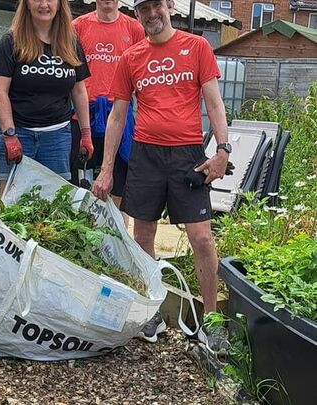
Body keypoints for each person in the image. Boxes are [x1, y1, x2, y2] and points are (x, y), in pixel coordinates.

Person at [91, 0, 230, 355]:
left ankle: (212, 320)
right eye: (142, 9)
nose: (151, 14)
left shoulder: (196, 46)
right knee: (143, 234)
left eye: (156, 5)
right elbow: (117, 116)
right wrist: (107, 170)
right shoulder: (130, 57)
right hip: (146, 155)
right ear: (135, 14)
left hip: (187, 155)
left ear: (168, 6)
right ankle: (151, 309)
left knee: (201, 237)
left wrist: (223, 150)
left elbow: (213, 102)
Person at [0, 0, 92, 192]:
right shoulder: (10, 42)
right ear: (27, 4)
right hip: (19, 135)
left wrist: (85, 133)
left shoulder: (71, 43)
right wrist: (9, 135)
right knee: (13, 205)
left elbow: (79, 91)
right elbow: (0, 91)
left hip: (57, 138)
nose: (44, 4)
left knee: (54, 205)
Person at [70, 0, 145, 226]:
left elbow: (143, 72)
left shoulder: (134, 29)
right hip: (84, 114)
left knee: (119, 183)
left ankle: (119, 237)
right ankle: (81, 234)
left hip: (120, 114)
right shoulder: (78, 26)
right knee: (78, 182)